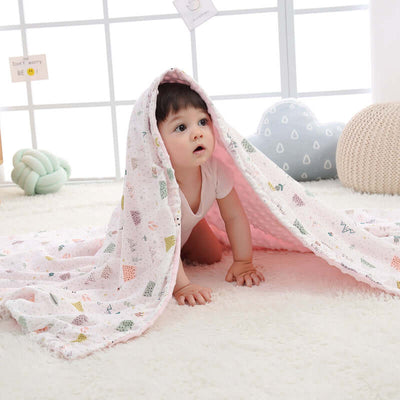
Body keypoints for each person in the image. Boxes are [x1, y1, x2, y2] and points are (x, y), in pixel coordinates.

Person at [156, 83, 265, 307]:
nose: (197, 133)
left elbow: (234, 216)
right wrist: (182, 285)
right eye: (181, 127)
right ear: (156, 141)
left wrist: (243, 261)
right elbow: (160, 239)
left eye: (202, 122)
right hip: (152, 238)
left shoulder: (214, 170)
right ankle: (178, 261)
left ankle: (185, 237)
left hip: (183, 229)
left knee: (212, 255)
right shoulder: (157, 184)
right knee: (153, 269)